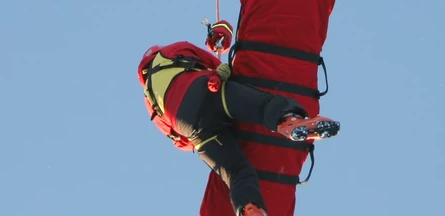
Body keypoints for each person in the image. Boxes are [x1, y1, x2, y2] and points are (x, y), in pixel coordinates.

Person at [138, 20, 340, 216]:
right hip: (206, 91)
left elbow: (180, 143)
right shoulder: (171, 52)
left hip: (193, 129)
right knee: (263, 106)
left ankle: (249, 208)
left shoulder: (150, 101)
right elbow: (219, 68)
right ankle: (288, 122)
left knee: (237, 173)